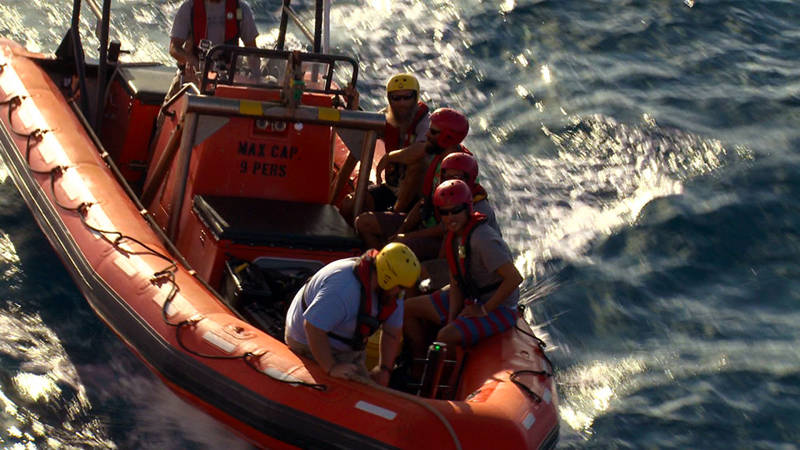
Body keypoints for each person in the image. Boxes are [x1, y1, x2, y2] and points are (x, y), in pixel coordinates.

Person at [403, 179, 522, 362]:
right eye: (445, 212)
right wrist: (452, 317)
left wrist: (483, 310)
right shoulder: (455, 237)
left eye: (456, 210)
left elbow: (514, 278)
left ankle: (443, 382)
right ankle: (417, 362)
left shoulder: (483, 239)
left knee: (444, 336)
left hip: (499, 307)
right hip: (471, 296)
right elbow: (456, 280)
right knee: (405, 309)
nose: (450, 217)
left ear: (467, 208)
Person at [284, 243, 421, 386]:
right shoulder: (344, 289)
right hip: (306, 342)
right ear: (388, 279)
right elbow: (313, 327)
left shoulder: (393, 295)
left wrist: (384, 369)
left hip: (347, 349)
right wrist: (331, 367)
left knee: (369, 391)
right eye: (401, 287)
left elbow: (392, 333)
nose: (402, 292)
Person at [354, 108, 470, 261]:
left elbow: (446, 227)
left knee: (397, 245)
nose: (427, 135)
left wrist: (406, 236)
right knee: (363, 223)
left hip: (441, 238)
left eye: (433, 132)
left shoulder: (457, 174)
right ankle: (380, 264)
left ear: (447, 138)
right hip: (424, 223)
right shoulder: (438, 156)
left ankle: (387, 269)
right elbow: (424, 202)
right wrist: (402, 229)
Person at [339, 73, 431, 222]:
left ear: (416, 98)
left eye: (407, 97)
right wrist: (353, 108)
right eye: (396, 98)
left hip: (417, 194)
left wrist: (389, 157)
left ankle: (395, 217)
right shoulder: (386, 117)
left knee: (419, 164)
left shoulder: (425, 121)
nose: (402, 103)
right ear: (389, 99)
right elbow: (361, 134)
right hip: (391, 188)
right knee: (350, 204)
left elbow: (422, 150)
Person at [168, 0, 259, 91]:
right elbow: (174, 48)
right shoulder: (188, 8)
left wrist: (256, 76)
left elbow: (252, 50)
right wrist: (190, 60)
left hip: (229, 78)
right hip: (193, 77)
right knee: (171, 100)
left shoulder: (240, 9)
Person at [439, 152, 501, 235]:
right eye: (446, 177)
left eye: (456, 177)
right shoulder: (453, 200)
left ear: (469, 179)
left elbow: (445, 229)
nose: (450, 181)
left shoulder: (479, 208)